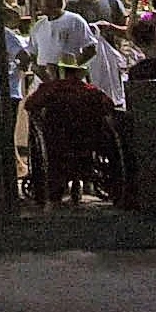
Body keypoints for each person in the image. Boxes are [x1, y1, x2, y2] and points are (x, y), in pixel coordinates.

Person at [25, 56, 119, 206]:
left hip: (56, 140)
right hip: (88, 140)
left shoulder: (50, 89)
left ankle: (56, 188)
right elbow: (109, 106)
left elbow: (30, 105)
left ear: (59, 71)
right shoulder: (91, 91)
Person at [26, 0, 97, 75]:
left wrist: (73, 69)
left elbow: (91, 49)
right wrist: (40, 71)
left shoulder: (74, 20)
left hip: (68, 78)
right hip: (44, 80)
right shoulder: (38, 26)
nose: (38, 3)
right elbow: (33, 53)